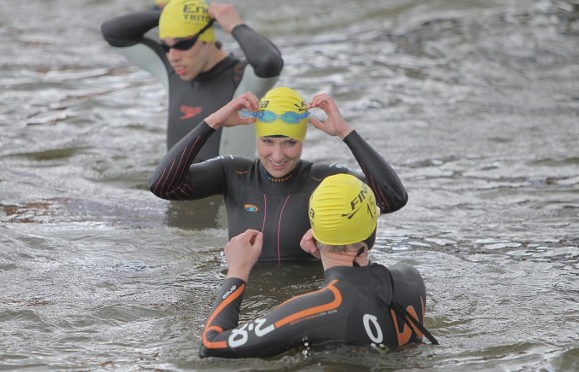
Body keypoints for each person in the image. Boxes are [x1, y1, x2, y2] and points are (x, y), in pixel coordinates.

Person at [149, 87, 408, 262]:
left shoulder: (325, 181)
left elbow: (392, 199)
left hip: (304, 302)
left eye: (289, 143)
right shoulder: (234, 173)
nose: (277, 155)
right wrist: (213, 122)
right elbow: (163, 185)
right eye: (268, 142)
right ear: (257, 137)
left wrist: (345, 132)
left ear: (303, 141)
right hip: (247, 302)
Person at [199, 174, 437, 358]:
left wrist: (237, 270)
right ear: (372, 232)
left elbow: (212, 344)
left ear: (313, 234)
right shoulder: (410, 279)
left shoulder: (312, 310)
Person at [101, 0, 283, 162]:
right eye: (165, 46)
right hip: (175, 194)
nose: (173, 56)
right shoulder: (170, 70)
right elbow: (113, 32)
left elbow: (269, 61)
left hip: (225, 197)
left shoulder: (244, 79)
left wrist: (236, 25)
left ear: (206, 40)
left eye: (183, 45)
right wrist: (171, 14)